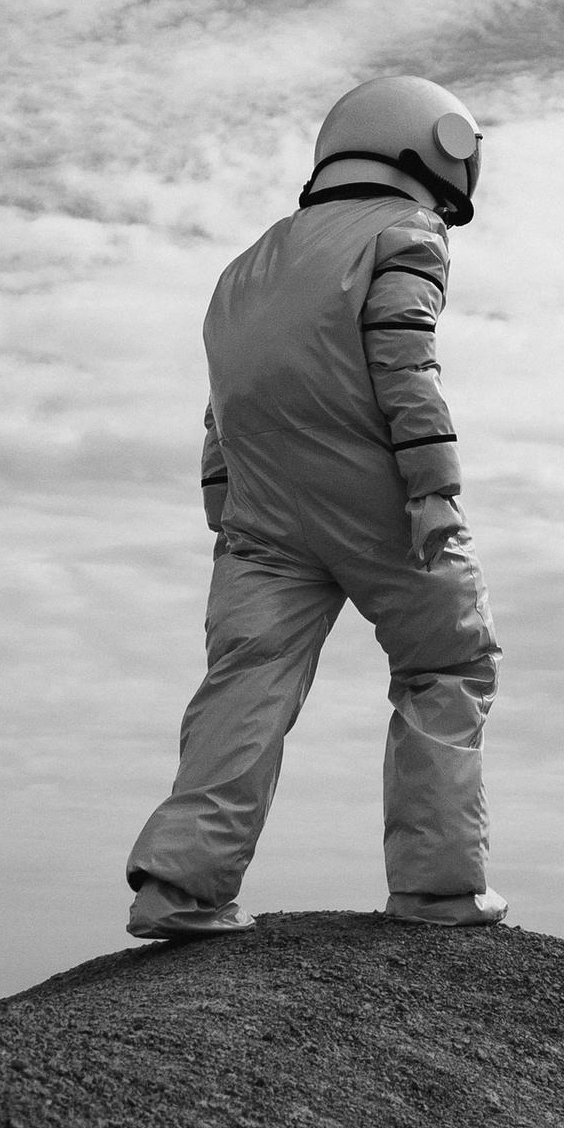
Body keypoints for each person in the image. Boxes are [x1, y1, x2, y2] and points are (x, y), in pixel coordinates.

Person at [124, 73, 506, 939]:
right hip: (378, 494)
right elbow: (403, 363)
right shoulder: (404, 233)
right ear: (437, 145)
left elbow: (229, 392)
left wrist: (222, 495)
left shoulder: (246, 265)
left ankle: (180, 887)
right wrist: (434, 485)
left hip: (261, 513)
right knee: (447, 665)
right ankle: (438, 889)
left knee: (247, 680)